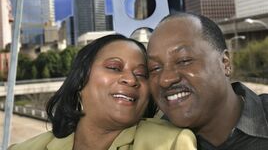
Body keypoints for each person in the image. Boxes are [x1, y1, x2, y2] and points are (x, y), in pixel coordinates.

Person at [9, 34, 196, 150]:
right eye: (114, 67)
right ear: (81, 80)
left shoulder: (172, 144)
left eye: (141, 74)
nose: (131, 80)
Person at [147, 11, 268, 150]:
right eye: (154, 68)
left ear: (225, 63)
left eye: (184, 60)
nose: (165, 79)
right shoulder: (148, 143)